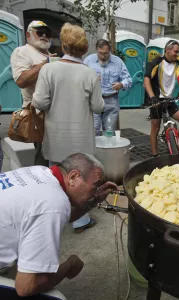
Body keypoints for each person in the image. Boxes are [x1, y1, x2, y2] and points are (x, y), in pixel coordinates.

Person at [0, 153, 117, 298]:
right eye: (94, 186)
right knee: (54, 295)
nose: (94, 192)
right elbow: (25, 287)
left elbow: (58, 214)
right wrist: (67, 267)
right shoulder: (53, 203)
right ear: (73, 177)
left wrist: (93, 201)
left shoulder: (39, 172)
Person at [32, 23, 104, 233]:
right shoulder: (90, 74)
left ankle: (54, 218)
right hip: (82, 140)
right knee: (82, 179)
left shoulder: (48, 69)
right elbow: (98, 107)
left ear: (63, 45)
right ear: (85, 48)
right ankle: (81, 221)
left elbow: (40, 103)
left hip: (56, 138)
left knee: (57, 178)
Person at [10, 20, 55, 167]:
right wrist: (45, 63)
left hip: (54, 112)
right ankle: (41, 183)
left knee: (55, 152)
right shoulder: (22, 51)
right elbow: (21, 80)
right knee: (42, 153)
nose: (44, 36)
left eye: (47, 33)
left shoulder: (48, 54)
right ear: (28, 34)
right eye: (39, 32)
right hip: (36, 112)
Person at [144, 40, 179, 157]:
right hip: (157, 100)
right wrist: (152, 97)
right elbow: (146, 79)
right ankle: (155, 154)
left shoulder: (177, 63)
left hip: (169, 99)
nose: (177, 54)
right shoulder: (156, 62)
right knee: (155, 127)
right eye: (175, 51)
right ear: (167, 50)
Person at [84, 39, 132, 135]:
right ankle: (94, 150)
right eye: (100, 53)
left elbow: (129, 79)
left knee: (109, 132)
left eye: (105, 53)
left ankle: (108, 149)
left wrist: (121, 84)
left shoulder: (118, 62)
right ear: (96, 50)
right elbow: (80, 79)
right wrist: (90, 79)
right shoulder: (89, 61)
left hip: (111, 101)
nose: (102, 56)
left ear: (109, 51)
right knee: (93, 131)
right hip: (94, 100)